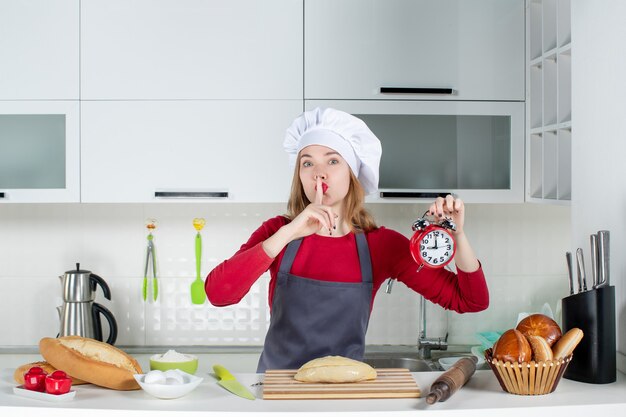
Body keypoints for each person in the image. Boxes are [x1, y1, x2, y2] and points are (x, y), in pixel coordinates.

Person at [205, 107, 489, 372]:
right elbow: (219, 294)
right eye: (307, 163)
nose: (319, 172)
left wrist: (457, 235)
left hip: (344, 393)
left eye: (332, 160)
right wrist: (289, 232)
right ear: (300, 176)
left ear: (352, 173)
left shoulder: (382, 246)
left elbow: (470, 301)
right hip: (277, 390)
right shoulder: (277, 232)